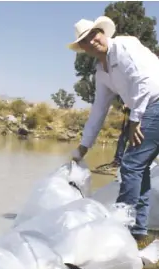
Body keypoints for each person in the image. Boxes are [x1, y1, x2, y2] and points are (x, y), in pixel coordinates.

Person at [68, 16, 159, 243]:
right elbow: (99, 110)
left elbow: (146, 80)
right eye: (86, 40)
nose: (93, 40)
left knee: (130, 165)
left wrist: (135, 119)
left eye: (94, 34)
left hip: (154, 102)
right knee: (140, 166)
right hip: (147, 107)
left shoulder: (124, 46)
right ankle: (137, 230)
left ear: (103, 32)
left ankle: (121, 229)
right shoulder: (101, 72)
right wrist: (83, 147)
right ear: (83, 48)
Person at [93, 103, 130, 174]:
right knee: (123, 138)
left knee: (126, 139)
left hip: (143, 116)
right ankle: (118, 161)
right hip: (132, 115)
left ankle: (120, 162)